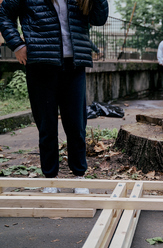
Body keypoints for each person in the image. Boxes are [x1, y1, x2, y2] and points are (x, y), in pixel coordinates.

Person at [0, 0, 108, 193]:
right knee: (47, 125)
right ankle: (50, 178)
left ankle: (79, 176)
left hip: (74, 66)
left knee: (76, 125)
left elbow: (99, 19)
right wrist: (16, 44)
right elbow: (3, 14)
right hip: (41, 64)